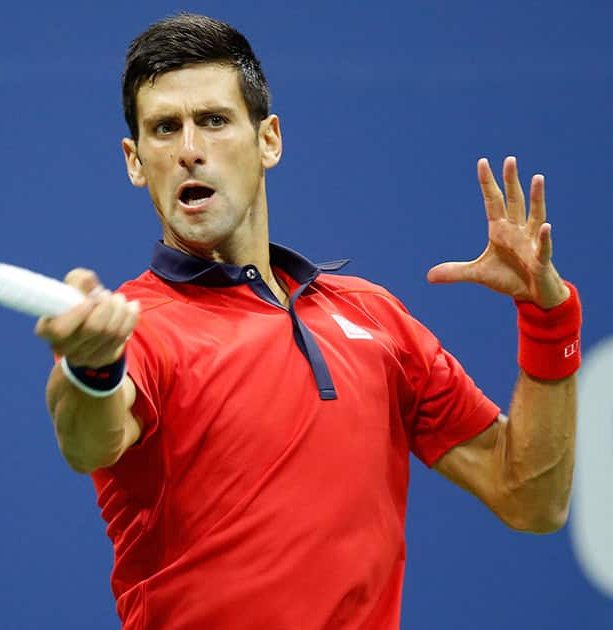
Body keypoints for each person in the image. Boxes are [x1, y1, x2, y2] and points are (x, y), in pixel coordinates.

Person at [35, 12, 580, 630]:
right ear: (136, 161)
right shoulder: (141, 329)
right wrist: (91, 367)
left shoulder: (374, 318)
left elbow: (531, 497)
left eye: (214, 121)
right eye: (165, 129)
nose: (189, 150)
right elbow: (89, 441)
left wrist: (549, 321)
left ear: (268, 140)